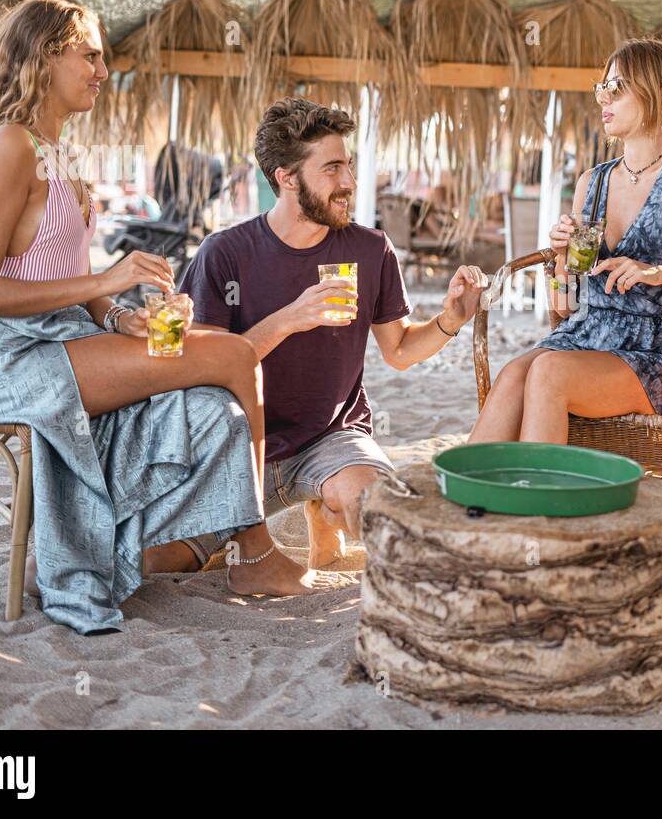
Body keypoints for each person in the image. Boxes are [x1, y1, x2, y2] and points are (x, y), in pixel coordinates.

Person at [0, 0, 316, 636]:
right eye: (88, 55)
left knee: (212, 398)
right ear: (44, 57)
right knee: (232, 355)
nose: (101, 70)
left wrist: (117, 314)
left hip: (65, 338)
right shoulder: (10, 146)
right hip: (9, 357)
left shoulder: (56, 150)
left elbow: (58, 274)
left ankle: (156, 545)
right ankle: (252, 551)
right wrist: (106, 279)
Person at [171, 97, 486, 569]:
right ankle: (281, 520)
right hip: (238, 449)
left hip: (331, 437)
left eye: (350, 166)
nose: (350, 183)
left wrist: (450, 320)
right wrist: (289, 319)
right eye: (333, 168)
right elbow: (200, 368)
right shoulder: (224, 254)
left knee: (382, 512)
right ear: (287, 177)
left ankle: (326, 503)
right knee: (161, 563)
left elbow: (398, 350)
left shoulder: (370, 249)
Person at [469, 38, 662, 444]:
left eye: (617, 88)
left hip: (653, 346)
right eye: (602, 88)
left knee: (548, 373)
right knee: (513, 375)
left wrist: (659, 273)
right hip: (582, 333)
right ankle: (473, 497)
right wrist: (562, 258)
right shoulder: (592, 183)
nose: (604, 99)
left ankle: (538, 501)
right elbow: (565, 307)